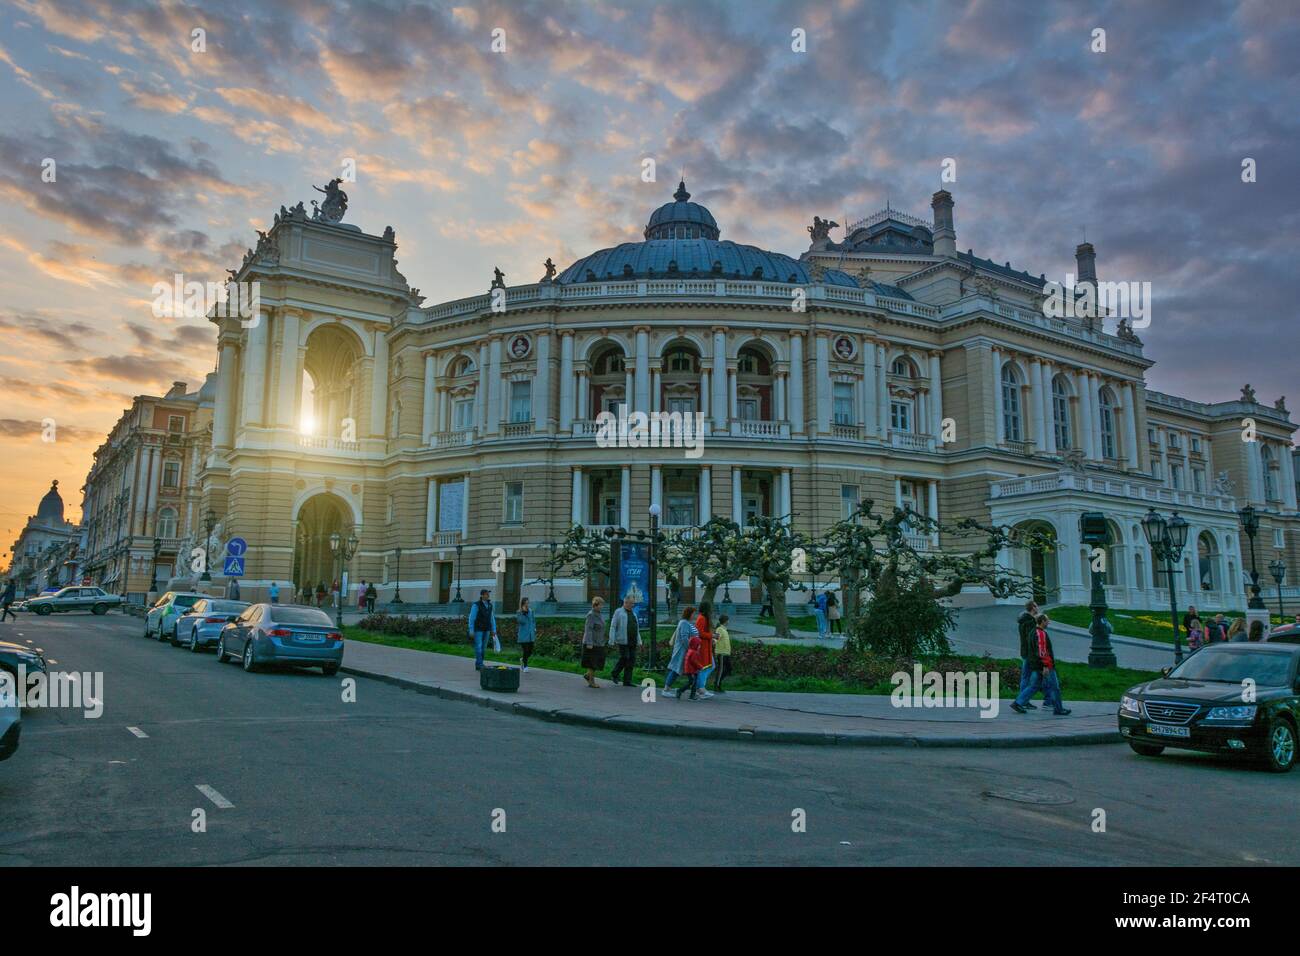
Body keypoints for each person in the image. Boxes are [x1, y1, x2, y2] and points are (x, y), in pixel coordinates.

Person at [1012, 613, 1071, 716]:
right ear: (1042, 621)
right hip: (1044, 666)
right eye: (1047, 620)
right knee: (1054, 687)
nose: (1049, 622)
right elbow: (1042, 651)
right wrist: (1045, 666)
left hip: (1036, 665)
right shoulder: (1041, 633)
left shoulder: (1033, 632)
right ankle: (1058, 709)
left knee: (1034, 686)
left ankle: (1018, 703)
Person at [664, 606, 697, 698]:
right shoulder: (684, 623)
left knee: (677, 669)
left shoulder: (685, 623)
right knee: (676, 669)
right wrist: (690, 648)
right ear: (689, 614)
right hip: (681, 651)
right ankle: (666, 689)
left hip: (682, 650)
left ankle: (670, 688)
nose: (694, 615)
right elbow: (684, 638)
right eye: (693, 613)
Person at [1016, 600, 1043, 710]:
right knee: (1028, 677)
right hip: (1029, 653)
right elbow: (1031, 639)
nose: (1038, 608)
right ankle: (1023, 701)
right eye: (1036, 606)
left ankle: (1023, 700)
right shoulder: (1030, 622)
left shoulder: (1023, 620)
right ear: (1033, 608)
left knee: (1025, 676)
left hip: (1025, 651)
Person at [608, 593, 639, 686]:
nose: (633, 605)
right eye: (631, 603)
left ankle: (627, 681)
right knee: (625, 657)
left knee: (631, 660)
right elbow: (613, 626)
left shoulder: (633, 613)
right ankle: (615, 673)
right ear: (626, 602)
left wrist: (639, 640)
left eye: (633, 603)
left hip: (632, 640)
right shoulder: (618, 612)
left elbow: (636, 627)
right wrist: (611, 639)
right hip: (623, 640)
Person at [467, 589, 497, 670]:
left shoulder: (490, 605)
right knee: (479, 646)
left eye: (488, 594)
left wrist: (494, 629)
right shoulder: (476, 605)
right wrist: (471, 629)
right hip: (478, 629)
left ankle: (480, 663)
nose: (488, 596)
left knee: (483, 647)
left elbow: (492, 618)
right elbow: (472, 618)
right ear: (482, 595)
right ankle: (479, 664)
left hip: (487, 629)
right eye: (486, 594)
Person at [580, 597, 607, 688]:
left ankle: (588, 675)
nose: (602, 607)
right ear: (595, 605)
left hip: (599, 642)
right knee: (592, 663)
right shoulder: (591, 615)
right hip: (592, 643)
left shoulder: (599, 614)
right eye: (601, 605)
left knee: (597, 662)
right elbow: (588, 629)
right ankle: (591, 682)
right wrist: (589, 643)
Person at [693, 601, 716, 699]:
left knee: (709, 666)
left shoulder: (703, 618)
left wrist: (712, 638)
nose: (711, 610)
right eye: (710, 608)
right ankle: (701, 688)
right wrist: (712, 636)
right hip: (702, 647)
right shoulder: (702, 618)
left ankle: (700, 688)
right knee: (705, 667)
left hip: (706, 646)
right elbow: (700, 633)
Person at [712, 613, 732, 692]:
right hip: (721, 653)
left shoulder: (724, 630)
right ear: (725, 621)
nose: (729, 622)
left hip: (726, 653)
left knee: (729, 669)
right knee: (720, 670)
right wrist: (713, 642)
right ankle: (717, 685)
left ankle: (718, 682)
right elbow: (716, 638)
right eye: (728, 620)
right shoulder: (720, 629)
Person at [515, 597, 536, 670]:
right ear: (523, 603)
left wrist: (534, 628)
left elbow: (533, 620)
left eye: (528, 603)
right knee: (526, 650)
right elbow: (521, 621)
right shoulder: (519, 612)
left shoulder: (531, 611)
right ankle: (525, 666)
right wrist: (523, 613)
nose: (527, 604)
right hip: (523, 635)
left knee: (530, 651)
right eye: (525, 603)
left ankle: (523, 660)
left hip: (531, 634)